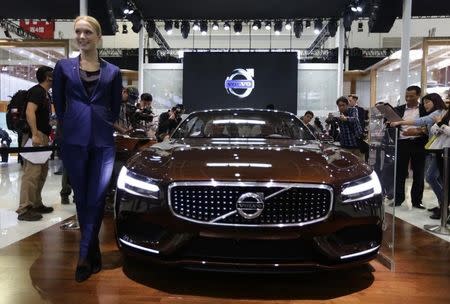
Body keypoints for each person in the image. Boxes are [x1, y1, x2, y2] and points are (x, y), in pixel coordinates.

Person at [52, 16, 122, 282]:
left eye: (87, 32)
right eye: (78, 32)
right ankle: (93, 252)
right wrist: (70, 123)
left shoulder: (113, 72)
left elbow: (114, 108)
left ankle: (84, 255)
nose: (82, 36)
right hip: (74, 140)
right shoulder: (63, 67)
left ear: (98, 36)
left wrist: (101, 121)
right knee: (82, 197)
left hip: (104, 141)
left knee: (97, 196)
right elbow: (59, 102)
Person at [390, 93, 446, 214]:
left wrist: (400, 123)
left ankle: (444, 207)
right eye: (424, 102)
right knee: (435, 178)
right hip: (435, 150)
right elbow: (430, 129)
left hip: (441, 150)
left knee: (431, 177)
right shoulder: (437, 113)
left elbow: (421, 121)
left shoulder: (438, 113)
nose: (425, 105)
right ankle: (443, 206)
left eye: (428, 102)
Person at [16, 66, 54, 221]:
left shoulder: (45, 93)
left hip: (42, 135)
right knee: (32, 173)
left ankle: (36, 203)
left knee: (41, 172)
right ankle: (24, 208)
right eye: (53, 74)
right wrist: (35, 133)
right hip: (35, 136)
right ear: (48, 77)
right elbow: (29, 111)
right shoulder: (37, 91)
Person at [390, 86, 428, 209]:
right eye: (406, 96)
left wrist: (417, 132)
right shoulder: (398, 109)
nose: (408, 98)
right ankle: (398, 198)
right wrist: (389, 123)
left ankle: (417, 201)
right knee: (399, 172)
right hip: (402, 143)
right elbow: (391, 124)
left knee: (419, 172)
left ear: (418, 95)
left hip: (419, 143)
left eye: (411, 96)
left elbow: (429, 126)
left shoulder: (424, 110)